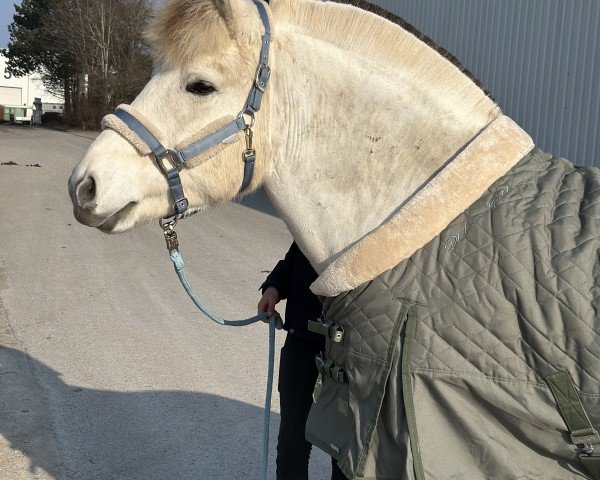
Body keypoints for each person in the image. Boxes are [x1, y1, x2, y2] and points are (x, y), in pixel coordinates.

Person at [258, 242, 346, 480]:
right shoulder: (315, 212)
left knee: (344, 452)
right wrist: (273, 287)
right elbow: (294, 258)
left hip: (349, 354)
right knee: (291, 443)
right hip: (301, 345)